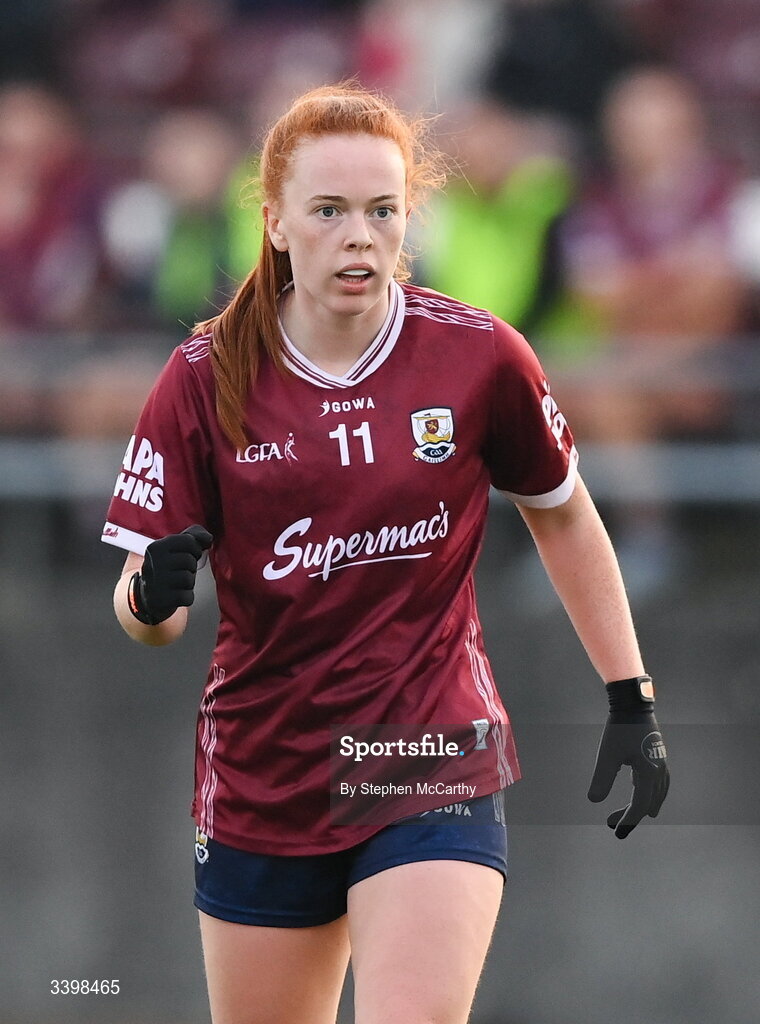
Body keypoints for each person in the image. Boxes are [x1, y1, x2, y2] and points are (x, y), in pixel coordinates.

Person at [102, 83, 669, 1024]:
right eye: (328, 211)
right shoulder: (205, 377)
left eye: (382, 211)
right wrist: (152, 599)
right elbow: (142, 612)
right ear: (277, 222)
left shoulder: (478, 357)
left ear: (410, 219)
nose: (358, 235)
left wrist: (630, 695)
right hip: (262, 768)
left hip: (423, 748)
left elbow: (562, 513)